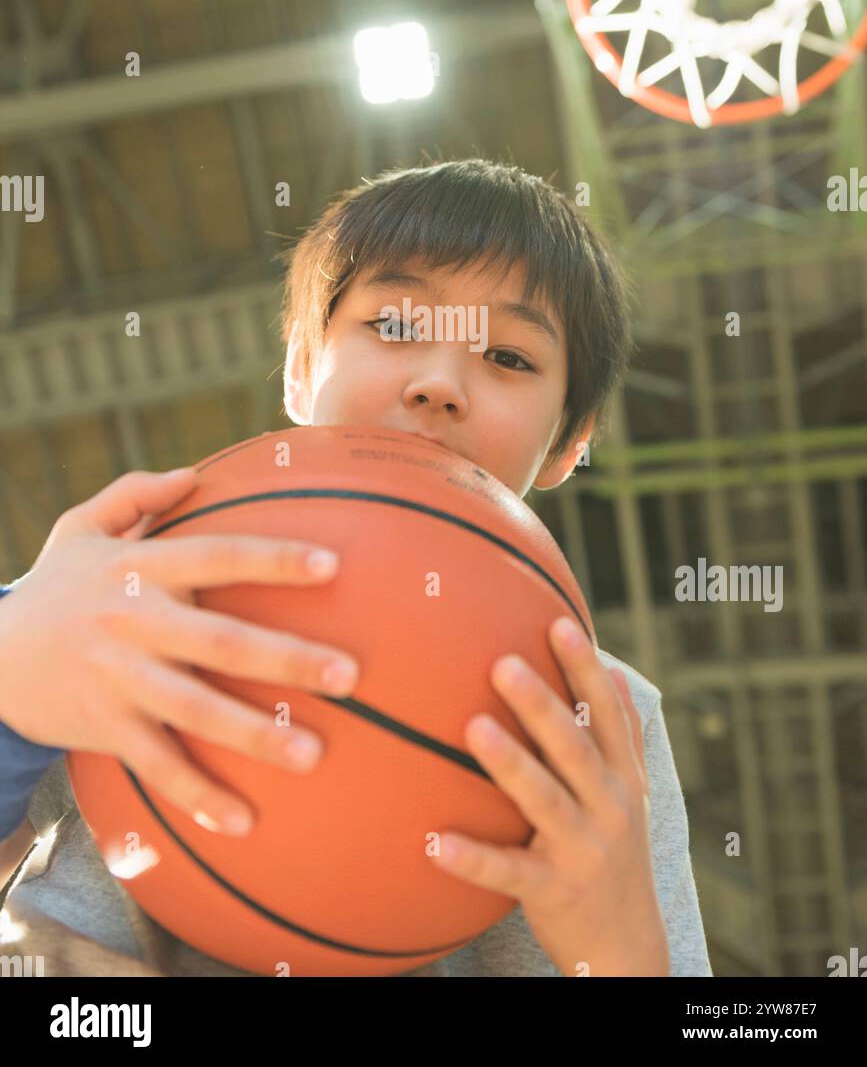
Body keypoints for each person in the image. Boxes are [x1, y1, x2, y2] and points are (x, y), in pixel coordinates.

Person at [0, 157, 712, 977]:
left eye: (509, 358)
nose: (439, 383)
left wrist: (621, 953)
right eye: (396, 326)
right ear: (300, 369)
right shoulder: (124, 592)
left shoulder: (600, 712)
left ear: (568, 443)